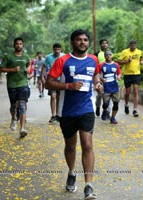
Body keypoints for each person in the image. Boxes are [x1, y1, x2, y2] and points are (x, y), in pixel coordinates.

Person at [45, 29, 103, 200]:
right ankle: (71, 172)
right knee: (70, 145)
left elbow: (96, 76)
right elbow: (49, 83)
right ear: (72, 42)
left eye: (85, 40)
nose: (83, 42)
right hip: (67, 110)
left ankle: (88, 185)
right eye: (79, 40)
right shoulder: (62, 61)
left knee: (87, 144)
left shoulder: (93, 60)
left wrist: (98, 84)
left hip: (86, 108)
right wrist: (69, 86)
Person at [0, 37, 31, 138]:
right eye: (17, 44)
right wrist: (12, 70)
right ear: (14, 45)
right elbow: (1, 69)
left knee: (22, 105)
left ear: (23, 45)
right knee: (13, 106)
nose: (19, 45)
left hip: (23, 83)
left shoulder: (26, 56)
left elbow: (29, 65)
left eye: (20, 44)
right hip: (12, 84)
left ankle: (22, 128)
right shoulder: (8, 56)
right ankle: (13, 118)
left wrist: (28, 69)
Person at [118, 40, 143, 117]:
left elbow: (141, 58)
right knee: (127, 92)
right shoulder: (125, 52)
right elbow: (119, 61)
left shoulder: (139, 52)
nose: (133, 46)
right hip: (127, 74)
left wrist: (141, 61)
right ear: (129, 45)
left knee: (136, 91)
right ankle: (126, 105)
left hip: (136, 74)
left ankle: (135, 110)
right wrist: (126, 61)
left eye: (134, 45)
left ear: (136, 45)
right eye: (131, 45)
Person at [41, 43, 64, 124]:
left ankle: (58, 115)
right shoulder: (49, 57)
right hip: (52, 79)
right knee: (53, 96)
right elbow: (44, 66)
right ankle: (53, 115)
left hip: (61, 80)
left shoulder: (63, 56)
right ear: (53, 49)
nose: (57, 51)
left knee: (58, 97)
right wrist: (42, 77)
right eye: (55, 49)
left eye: (58, 49)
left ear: (61, 50)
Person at [100, 51, 122, 124]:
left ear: (112, 56)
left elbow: (119, 73)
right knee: (105, 103)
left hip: (115, 86)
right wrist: (101, 78)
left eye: (110, 55)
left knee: (116, 103)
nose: (108, 56)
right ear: (105, 56)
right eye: (107, 55)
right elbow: (97, 74)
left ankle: (113, 118)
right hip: (106, 87)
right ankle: (105, 111)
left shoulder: (116, 65)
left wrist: (119, 77)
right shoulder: (101, 65)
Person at [94, 39, 109, 117]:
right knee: (100, 94)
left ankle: (106, 111)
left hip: (108, 75)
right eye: (103, 43)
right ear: (100, 45)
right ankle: (98, 106)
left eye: (106, 43)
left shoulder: (109, 53)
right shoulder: (97, 54)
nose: (104, 45)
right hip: (99, 74)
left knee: (108, 94)